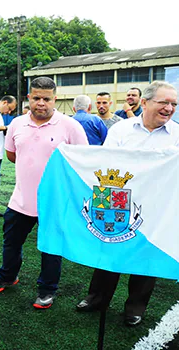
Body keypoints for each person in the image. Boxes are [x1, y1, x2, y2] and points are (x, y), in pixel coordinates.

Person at [76, 81, 179, 327]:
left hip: (157, 208)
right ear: (145, 102)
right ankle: (96, 299)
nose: (169, 108)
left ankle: (135, 307)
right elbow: (105, 164)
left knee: (146, 259)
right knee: (109, 252)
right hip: (119, 203)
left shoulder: (177, 135)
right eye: (163, 102)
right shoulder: (121, 130)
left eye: (173, 104)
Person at [0, 77, 88, 309]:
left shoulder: (70, 126)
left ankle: (46, 290)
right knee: (11, 243)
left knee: (50, 248)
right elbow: (12, 155)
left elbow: (82, 161)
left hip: (55, 202)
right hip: (20, 200)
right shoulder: (16, 124)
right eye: (36, 98)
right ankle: (8, 276)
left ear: (55, 99)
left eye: (46, 99)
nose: (41, 103)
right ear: (28, 98)